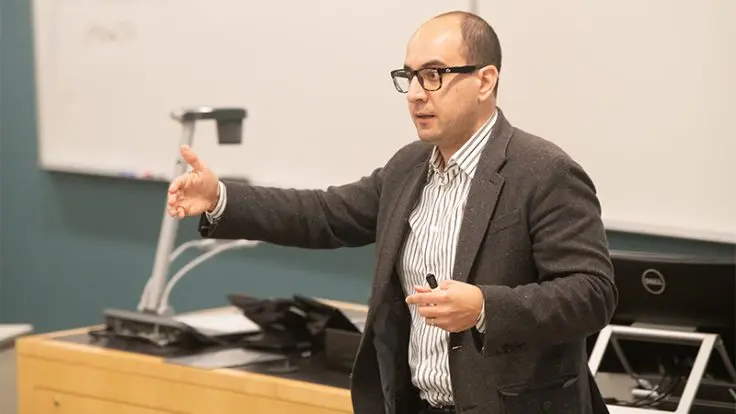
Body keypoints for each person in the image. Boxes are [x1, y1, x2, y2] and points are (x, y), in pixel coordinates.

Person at [167, 10, 617, 414]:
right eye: (409, 77)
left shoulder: (544, 171)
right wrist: (221, 197)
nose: (416, 94)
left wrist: (485, 307)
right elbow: (323, 213)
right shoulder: (408, 167)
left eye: (434, 75)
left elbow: (592, 292)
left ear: (485, 80)